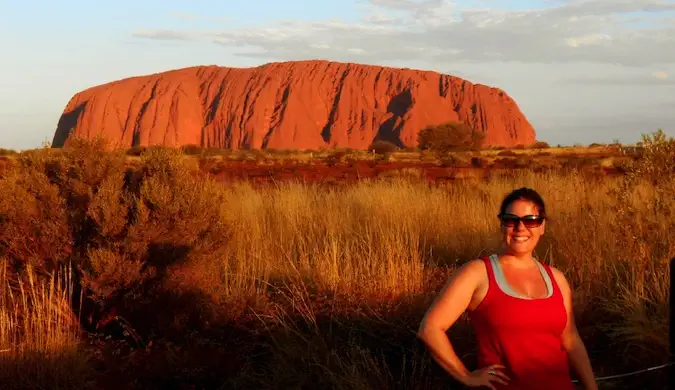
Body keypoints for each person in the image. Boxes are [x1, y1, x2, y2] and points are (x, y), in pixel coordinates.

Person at [417, 187, 597, 390]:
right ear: (502, 225)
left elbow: (571, 341)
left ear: (542, 226)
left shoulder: (556, 279)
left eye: (530, 220)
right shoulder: (478, 273)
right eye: (511, 219)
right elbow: (430, 329)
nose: (520, 228)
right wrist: (466, 376)